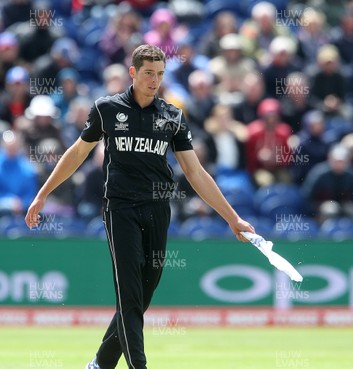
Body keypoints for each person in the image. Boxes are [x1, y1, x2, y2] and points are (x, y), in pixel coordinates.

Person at [24, 44, 255, 369]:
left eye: (160, 74)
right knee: (131, 295)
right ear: (133, 72)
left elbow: (195, 172)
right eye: (148, 73)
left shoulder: (172, 116)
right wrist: (43, 193)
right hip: (121, 209)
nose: (154, 80)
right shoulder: (106, 109)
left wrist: (233, 219)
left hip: (158, 210)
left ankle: (100, 364)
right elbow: (78, 152)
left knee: (140, 298)